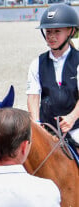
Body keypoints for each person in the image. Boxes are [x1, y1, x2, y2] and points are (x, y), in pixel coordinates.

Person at [27, 3, 79, 145]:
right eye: (49, 32)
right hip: (46, 128)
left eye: (57, 31)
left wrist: (72, 118)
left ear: (71, 31)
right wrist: (36, 122)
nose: (51, 36)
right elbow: (33, 96)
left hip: (75, 127)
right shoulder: (36, 63)